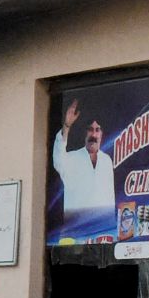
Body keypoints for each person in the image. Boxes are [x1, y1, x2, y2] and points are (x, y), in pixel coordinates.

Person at [51, 99, 119, 233]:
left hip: (103, 231)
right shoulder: (71, 158)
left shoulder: (106, 160)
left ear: (101, 134)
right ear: (85, 133)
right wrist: (66, 125)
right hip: (77, 231)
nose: (93, 134)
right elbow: (58, 156)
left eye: (97, 130)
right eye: (90, 130)